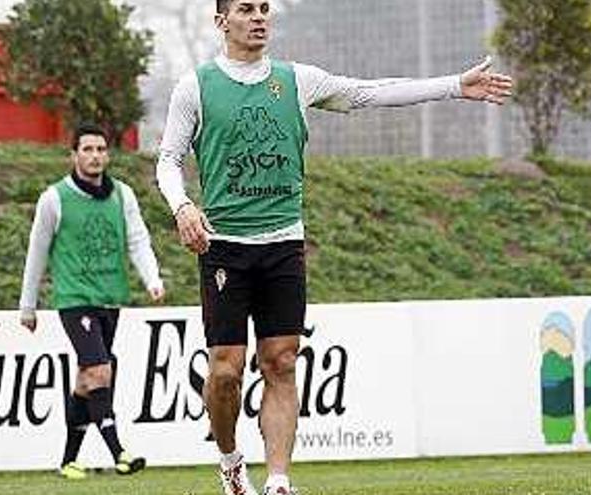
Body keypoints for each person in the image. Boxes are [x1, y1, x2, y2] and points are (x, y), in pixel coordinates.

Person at [155, 1, 513, 494]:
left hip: (283, 242)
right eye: (245, 9)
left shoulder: (297, 80)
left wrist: (454, 85)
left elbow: (368, 93)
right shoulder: (195, 86)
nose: (259, 17)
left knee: (280, 360)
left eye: (264, 8)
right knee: (225, 371)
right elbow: (168, 160)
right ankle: (230, 458)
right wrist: (181, 206)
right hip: (225, 248)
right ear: (222, 21)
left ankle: (278, 480)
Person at [19, 121, 165, 479]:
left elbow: (137, 240)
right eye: (87, 149)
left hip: (110, 297)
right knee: (101, 369)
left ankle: (68, 460)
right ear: (74, 155)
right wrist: (28, 305)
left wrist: (153, 279)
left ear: (108, 155)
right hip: (74, 299)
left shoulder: (123, 195)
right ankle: (120, 452)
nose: (95, 155)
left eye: (101, 149)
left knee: (87, 380)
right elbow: (37, 252)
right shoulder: (54, 198)